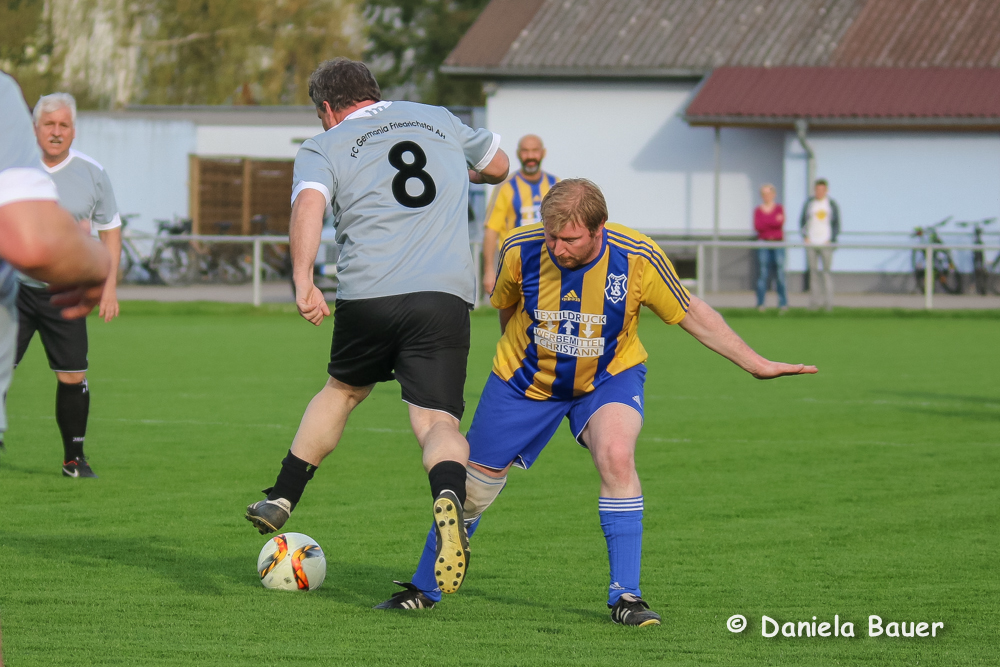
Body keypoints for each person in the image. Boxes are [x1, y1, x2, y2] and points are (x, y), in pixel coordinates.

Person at [376, 179, 817, 623]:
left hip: (609, 377)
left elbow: (693, 313)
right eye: (550, 236)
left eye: (568, 239)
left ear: (598, 228)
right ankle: (424, 587)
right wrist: (527, 356)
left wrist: (755, 363)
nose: (556, 247)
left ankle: (627, 597)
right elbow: (507, 309)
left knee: (617, 454)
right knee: (469, 494)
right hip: (523, 381)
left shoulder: (637, 256)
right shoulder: (520, 248)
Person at [243, 58, 510, 595]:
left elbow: (310, 207)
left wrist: (302, 280)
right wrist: (462, 169)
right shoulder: (436, 116)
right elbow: (500, 166)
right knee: (436, 420)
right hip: (443, 294)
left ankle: (282, 495)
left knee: (342, 390)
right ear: (374, 92)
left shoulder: (324, 145)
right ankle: (449, 494)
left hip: (369, 293)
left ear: (326, 108)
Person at [10, 92, 123, 478]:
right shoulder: (13, 168)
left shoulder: (92, 172)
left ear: (73, 130)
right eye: (49, 124)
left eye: (63, 125)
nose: (56, 132)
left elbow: (111, 230)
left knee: (73, 376)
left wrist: (108, 287)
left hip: (66, 294)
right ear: (35, 128)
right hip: (12, 292)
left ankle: (74, 459)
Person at [481, 134, 558, 294]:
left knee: (549, 317)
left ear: (543, 153)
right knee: (515, 318)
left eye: (535, 151)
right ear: (518, 154)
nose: (530, 156)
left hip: (550, 266)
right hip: (515, 266)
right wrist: (489, 270)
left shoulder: (555, 184)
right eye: (525, 151)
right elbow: (491, 230)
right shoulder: (505, 187)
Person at [799, 179, 840, 311]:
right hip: (811, 243)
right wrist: (805, 236)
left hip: (826, 243)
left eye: (822, 190)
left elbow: (837, 224)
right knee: (813, 274)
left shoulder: (831, 204)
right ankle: (813, 305)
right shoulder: (810, 203)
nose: (819, 192)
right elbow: (802, 221)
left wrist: (832, 239)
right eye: (817, 190)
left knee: (826, 273)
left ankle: (829, 305)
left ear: (826, 190)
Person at [754, 183, 788, 311]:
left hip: (778, 243)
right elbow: (758, 226)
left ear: (774, 194)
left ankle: (783, 304)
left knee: (780, 273)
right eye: (763, 194)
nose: (766, 196)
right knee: (763, 273)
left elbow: (780, 222)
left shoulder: (779, 208)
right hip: (764, 243)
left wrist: (769, 224)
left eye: (768, 193)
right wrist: (772, 223)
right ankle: (761, 304)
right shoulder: (758, 210)